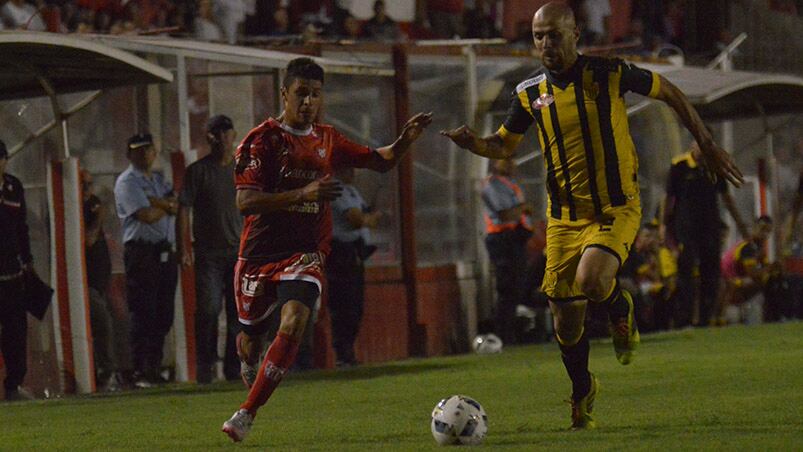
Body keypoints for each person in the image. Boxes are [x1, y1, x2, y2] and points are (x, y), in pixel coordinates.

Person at [440, 2, 743, 430]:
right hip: (564, 220)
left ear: (576, 33)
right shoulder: (529, 94)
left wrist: (707, 142)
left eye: (555, 34)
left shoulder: (609, 74)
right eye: (539, 36)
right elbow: (504, 145)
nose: (546, 43)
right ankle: (583, 392)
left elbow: (670, 91)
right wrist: (475, 143)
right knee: (565, 321)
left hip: (614, 208)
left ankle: (622, 310)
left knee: (591, 280)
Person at [221, 57, 432, 442]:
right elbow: (246, 202)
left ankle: (247, 413)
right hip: (258, 255)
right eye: (301, 93)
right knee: (251, 338)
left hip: (306, 252)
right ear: (284, 93)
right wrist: (305, 192)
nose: (308, 102)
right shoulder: (261, 140)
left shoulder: (328, 138)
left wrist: (404, 142)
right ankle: (248, 359)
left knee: (295, 320)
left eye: (315, 95)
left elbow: (379, 162)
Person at [177, 115, 243, 384]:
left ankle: (232, 367)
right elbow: (184, 209)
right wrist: (185, 246)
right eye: (219, 134)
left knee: (238, 313)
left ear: (233, 136)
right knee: (208, 309)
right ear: (210, 138)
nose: (224, 139)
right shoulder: (198, 171)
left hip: (237, 252)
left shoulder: (242, 171)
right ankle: (205, 366)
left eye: (227, 133)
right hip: (208, 253)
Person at [114, 133, 179, 389]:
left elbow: (175, 203)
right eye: (138, 151)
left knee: (164, 312)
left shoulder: (159, 181)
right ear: (130, 154)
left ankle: (154, 366)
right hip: (142, 253)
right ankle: (140, 369)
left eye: (148, 150)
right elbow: (146, 215)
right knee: (144, 311)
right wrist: (165, 206)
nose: (144, 155)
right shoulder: (127, 182)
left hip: (164, 251)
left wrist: (159, 202)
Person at [664, 142, 748, 328]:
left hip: (710, 228)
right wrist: (665, 226)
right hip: (686, 229)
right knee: (686, 273)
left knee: (710, 273)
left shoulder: (713, 166)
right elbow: (669, 198)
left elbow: (726, 198)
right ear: (693, 144)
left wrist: (741, 224)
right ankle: (683, 319)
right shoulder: (680, 166)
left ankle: (704, 318)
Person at [326, 167, 381, 368]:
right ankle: (343, 354)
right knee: (344, 305)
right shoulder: (336, 188)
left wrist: (368, 217)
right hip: (341, 254)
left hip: (355, 254)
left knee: (355, 306)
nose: (355, 170)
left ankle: (347, 353)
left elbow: (364, 212)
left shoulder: (351, 190)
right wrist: (369, 220)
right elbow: (355, 219)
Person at [481, 158, 533, 345]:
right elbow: (504, 214)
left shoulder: (510, 183)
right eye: (505, 159)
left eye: (512, 159)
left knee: (516, 287)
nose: (512, 163)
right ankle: (501, 334)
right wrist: (524, 208)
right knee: (507, 287)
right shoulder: (493, 184)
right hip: (503, 239)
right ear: (495, 162)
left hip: (515, 239)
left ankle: (508, 333)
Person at [0, 139, 36, 401]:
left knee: (15, 330)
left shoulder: (13, 188)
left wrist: (27, 260)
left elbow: (22, 227)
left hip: (11, 273)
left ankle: (14, 385)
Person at [82, 170, 120, 392]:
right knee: (102, 322)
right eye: (83, 185)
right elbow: (88, 239)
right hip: (86, 282)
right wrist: (98, 218)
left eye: (89, 185)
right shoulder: (74, 210)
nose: (88, 190)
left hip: (100, 280)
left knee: (106, 322)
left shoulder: (93, 203)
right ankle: (106, 372)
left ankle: (106, 370)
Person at [719, 216, 791, 323]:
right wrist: (771, 268)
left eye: (768, 231)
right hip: (729, 284)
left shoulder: (758, 248)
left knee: (775, 277)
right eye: (762, 229)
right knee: (767, 280)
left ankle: (777, 315)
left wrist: (776, 268)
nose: (765, 234)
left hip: (735, 283)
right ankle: (773, 317)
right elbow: (753, 274)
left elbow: (767, 268)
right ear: (754, 228)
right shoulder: (748, 247)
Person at [620, 221, 678, 331]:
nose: (650, 240)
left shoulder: (661, 253)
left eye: (653, 237)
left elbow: (663, 277)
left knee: (665, 290)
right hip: (636, 285)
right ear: (639, 238)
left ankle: (663, 326)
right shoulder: (633, 254)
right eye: (646, 236)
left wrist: (656, 254)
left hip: (652, 286)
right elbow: (639, 274)